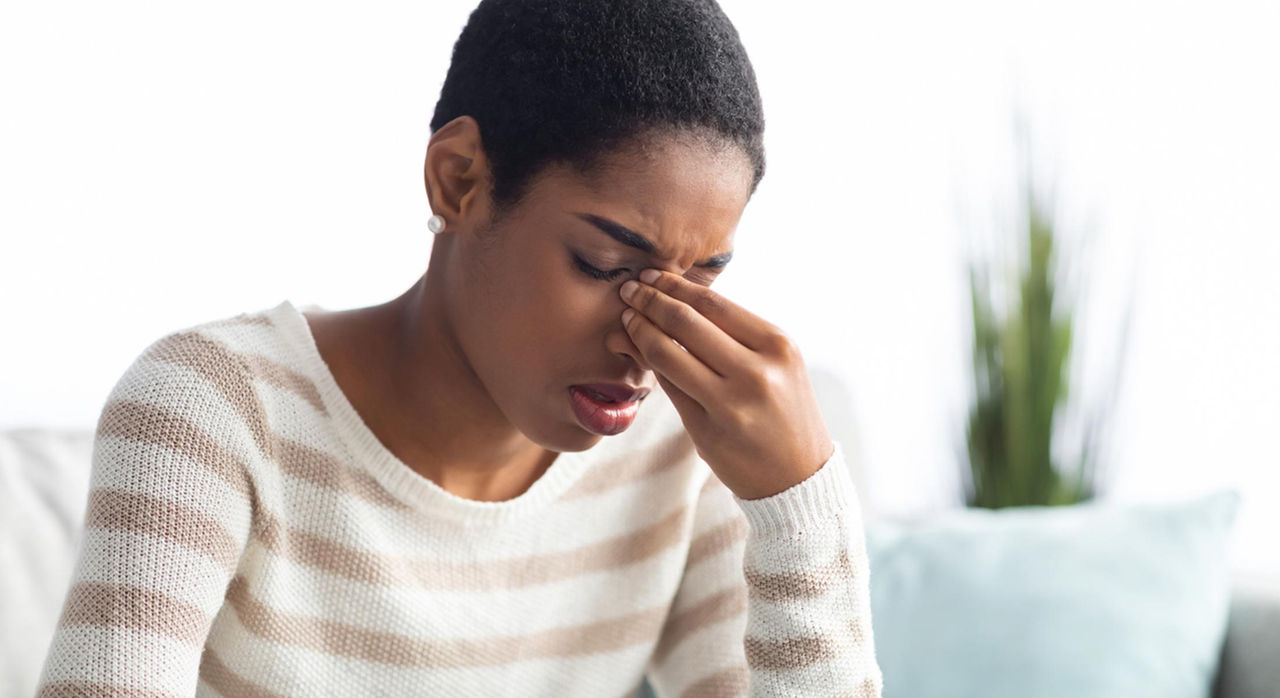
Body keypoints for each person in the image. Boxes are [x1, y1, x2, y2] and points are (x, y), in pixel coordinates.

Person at [35, 0, 884, 695]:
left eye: (702, 279)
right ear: (460, 179)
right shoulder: (214, 413)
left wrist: (800, 504)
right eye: (605, 264)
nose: (650, 340)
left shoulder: (681, 460)